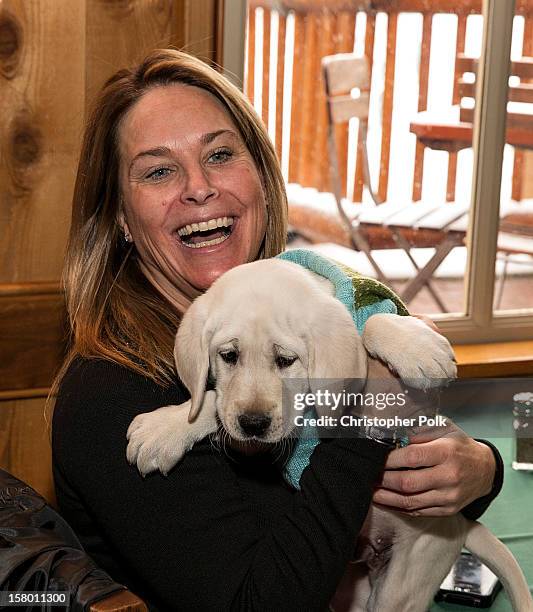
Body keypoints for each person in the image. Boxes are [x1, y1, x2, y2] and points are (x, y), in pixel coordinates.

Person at [51, 49, 503, 611]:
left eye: (220, 154)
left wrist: (482, 469)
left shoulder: (304, 302)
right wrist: (370, 407)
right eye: (160, 170)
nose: (199, 188)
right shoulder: (111, 398)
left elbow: (366, 481)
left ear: (262, 179)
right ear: (120, 216)